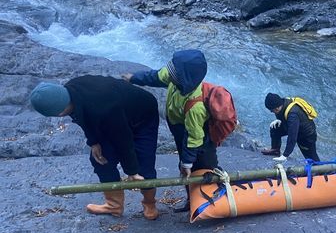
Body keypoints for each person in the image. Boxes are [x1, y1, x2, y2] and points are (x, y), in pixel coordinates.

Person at [30, 77, 160, 219]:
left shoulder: (102, 107)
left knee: (143, 167)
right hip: (114, 117)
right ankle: (114, 205)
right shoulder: (70, 93)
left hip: (142, 116)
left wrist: (132, 171)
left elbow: (122, 138)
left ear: (60, 112)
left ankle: (149, 203)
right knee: (100, 159)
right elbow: (82, 117)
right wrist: (94, 142)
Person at [124, 49, 217, 213]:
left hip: (199, 141)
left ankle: (211, 204)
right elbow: (157, 76)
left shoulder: (196, 105)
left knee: (202, 170)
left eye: (174, 71)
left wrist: (187, 161)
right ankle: (192, 202)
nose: (169, 72)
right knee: (187, 171)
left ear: (184, 78)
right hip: (181, 133)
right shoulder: (177, 78)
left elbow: (194, 137)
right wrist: (134, 78)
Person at [261, 93, 320, 162]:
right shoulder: (283, 103)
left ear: (276, 108)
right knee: (275, 128)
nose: (272, 112)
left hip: (306, 135)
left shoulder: (293, 114)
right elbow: (283, 114)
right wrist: (279, 120)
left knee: (310, 157)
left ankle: (322, 170)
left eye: (272, 110)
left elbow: (292, 137)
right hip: (292, 126)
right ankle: (275, 150)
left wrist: (285, 155)